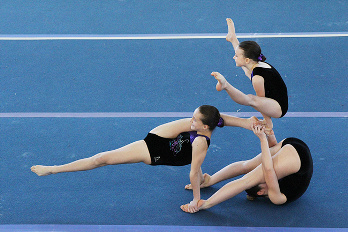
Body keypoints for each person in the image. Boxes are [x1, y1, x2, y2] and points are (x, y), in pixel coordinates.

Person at [31, 105, 257, 212]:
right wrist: (246, 122)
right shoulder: (204, 127)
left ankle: (53, 169)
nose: (191, 119)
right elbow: (219, 119)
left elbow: (193, 168)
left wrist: (195, 201)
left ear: (204, 127)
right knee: (102, 158)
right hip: (160, 142)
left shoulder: (200, 143)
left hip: (155, 150)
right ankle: (54, 169)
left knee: (102, 159)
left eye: (195, 119)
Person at [181, 124, 313, 213]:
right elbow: (269, 166)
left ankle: (208, 189)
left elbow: (267, 167)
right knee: (248, 172)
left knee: (247, 171)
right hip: (296, 152)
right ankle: (207, 190)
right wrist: (267, 137)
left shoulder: (273, 194)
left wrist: (265, 138)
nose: (262, 179)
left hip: (294, 151)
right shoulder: (278, 196)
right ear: (260, 193)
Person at [212, 18, 288, 134]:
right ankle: (233, 38)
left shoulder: (257, 78)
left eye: (236, 56)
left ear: (247, 59)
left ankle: (226, 86)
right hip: (276, 100)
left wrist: (268, 123)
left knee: (251, 100)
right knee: (247, 71)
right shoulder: (257, 63)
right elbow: (244, 59)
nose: (234, 57)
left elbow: (261, 103)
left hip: (278, 108)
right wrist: (234, 41)